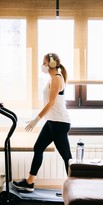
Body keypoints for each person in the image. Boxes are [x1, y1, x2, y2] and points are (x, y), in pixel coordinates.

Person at [12, 53, 72, 192]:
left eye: (44, 62)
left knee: (66, 157)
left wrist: (36, 120)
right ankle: (30, 182)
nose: (42, 65)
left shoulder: (57, 79)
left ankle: (75, 186)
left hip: (60, 123)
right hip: (52, 121)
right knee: (38, 147)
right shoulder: (52, 79)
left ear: (51, 64)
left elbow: (51, 103)